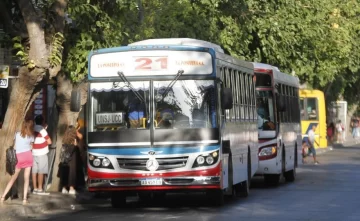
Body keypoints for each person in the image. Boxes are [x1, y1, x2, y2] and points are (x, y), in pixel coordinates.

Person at [1, 119, 35, 205]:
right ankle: (24, 199)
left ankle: (3, 197)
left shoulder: (17, 134)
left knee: (13, 178)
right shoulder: (31, 136)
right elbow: (31, 147)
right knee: (26, 178)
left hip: (19, 157)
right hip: (28, 156)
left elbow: (15, 146)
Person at [58, 126, 84, 195]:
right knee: (72, 174)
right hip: (72, 159)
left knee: (65, 173)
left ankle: (64, 188)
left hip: (65, 160)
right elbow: (79, 145)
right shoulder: (74, 140)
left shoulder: (64, 140)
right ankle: (71, 189)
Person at [32, 115, 51, 195]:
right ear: (43, 121)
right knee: (41, 171)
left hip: (33, 153)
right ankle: (40, 188)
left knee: (34, 171)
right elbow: (49, 141)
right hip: (42, 153)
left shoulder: (32, 129)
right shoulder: (42, 130)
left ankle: (35, 188)